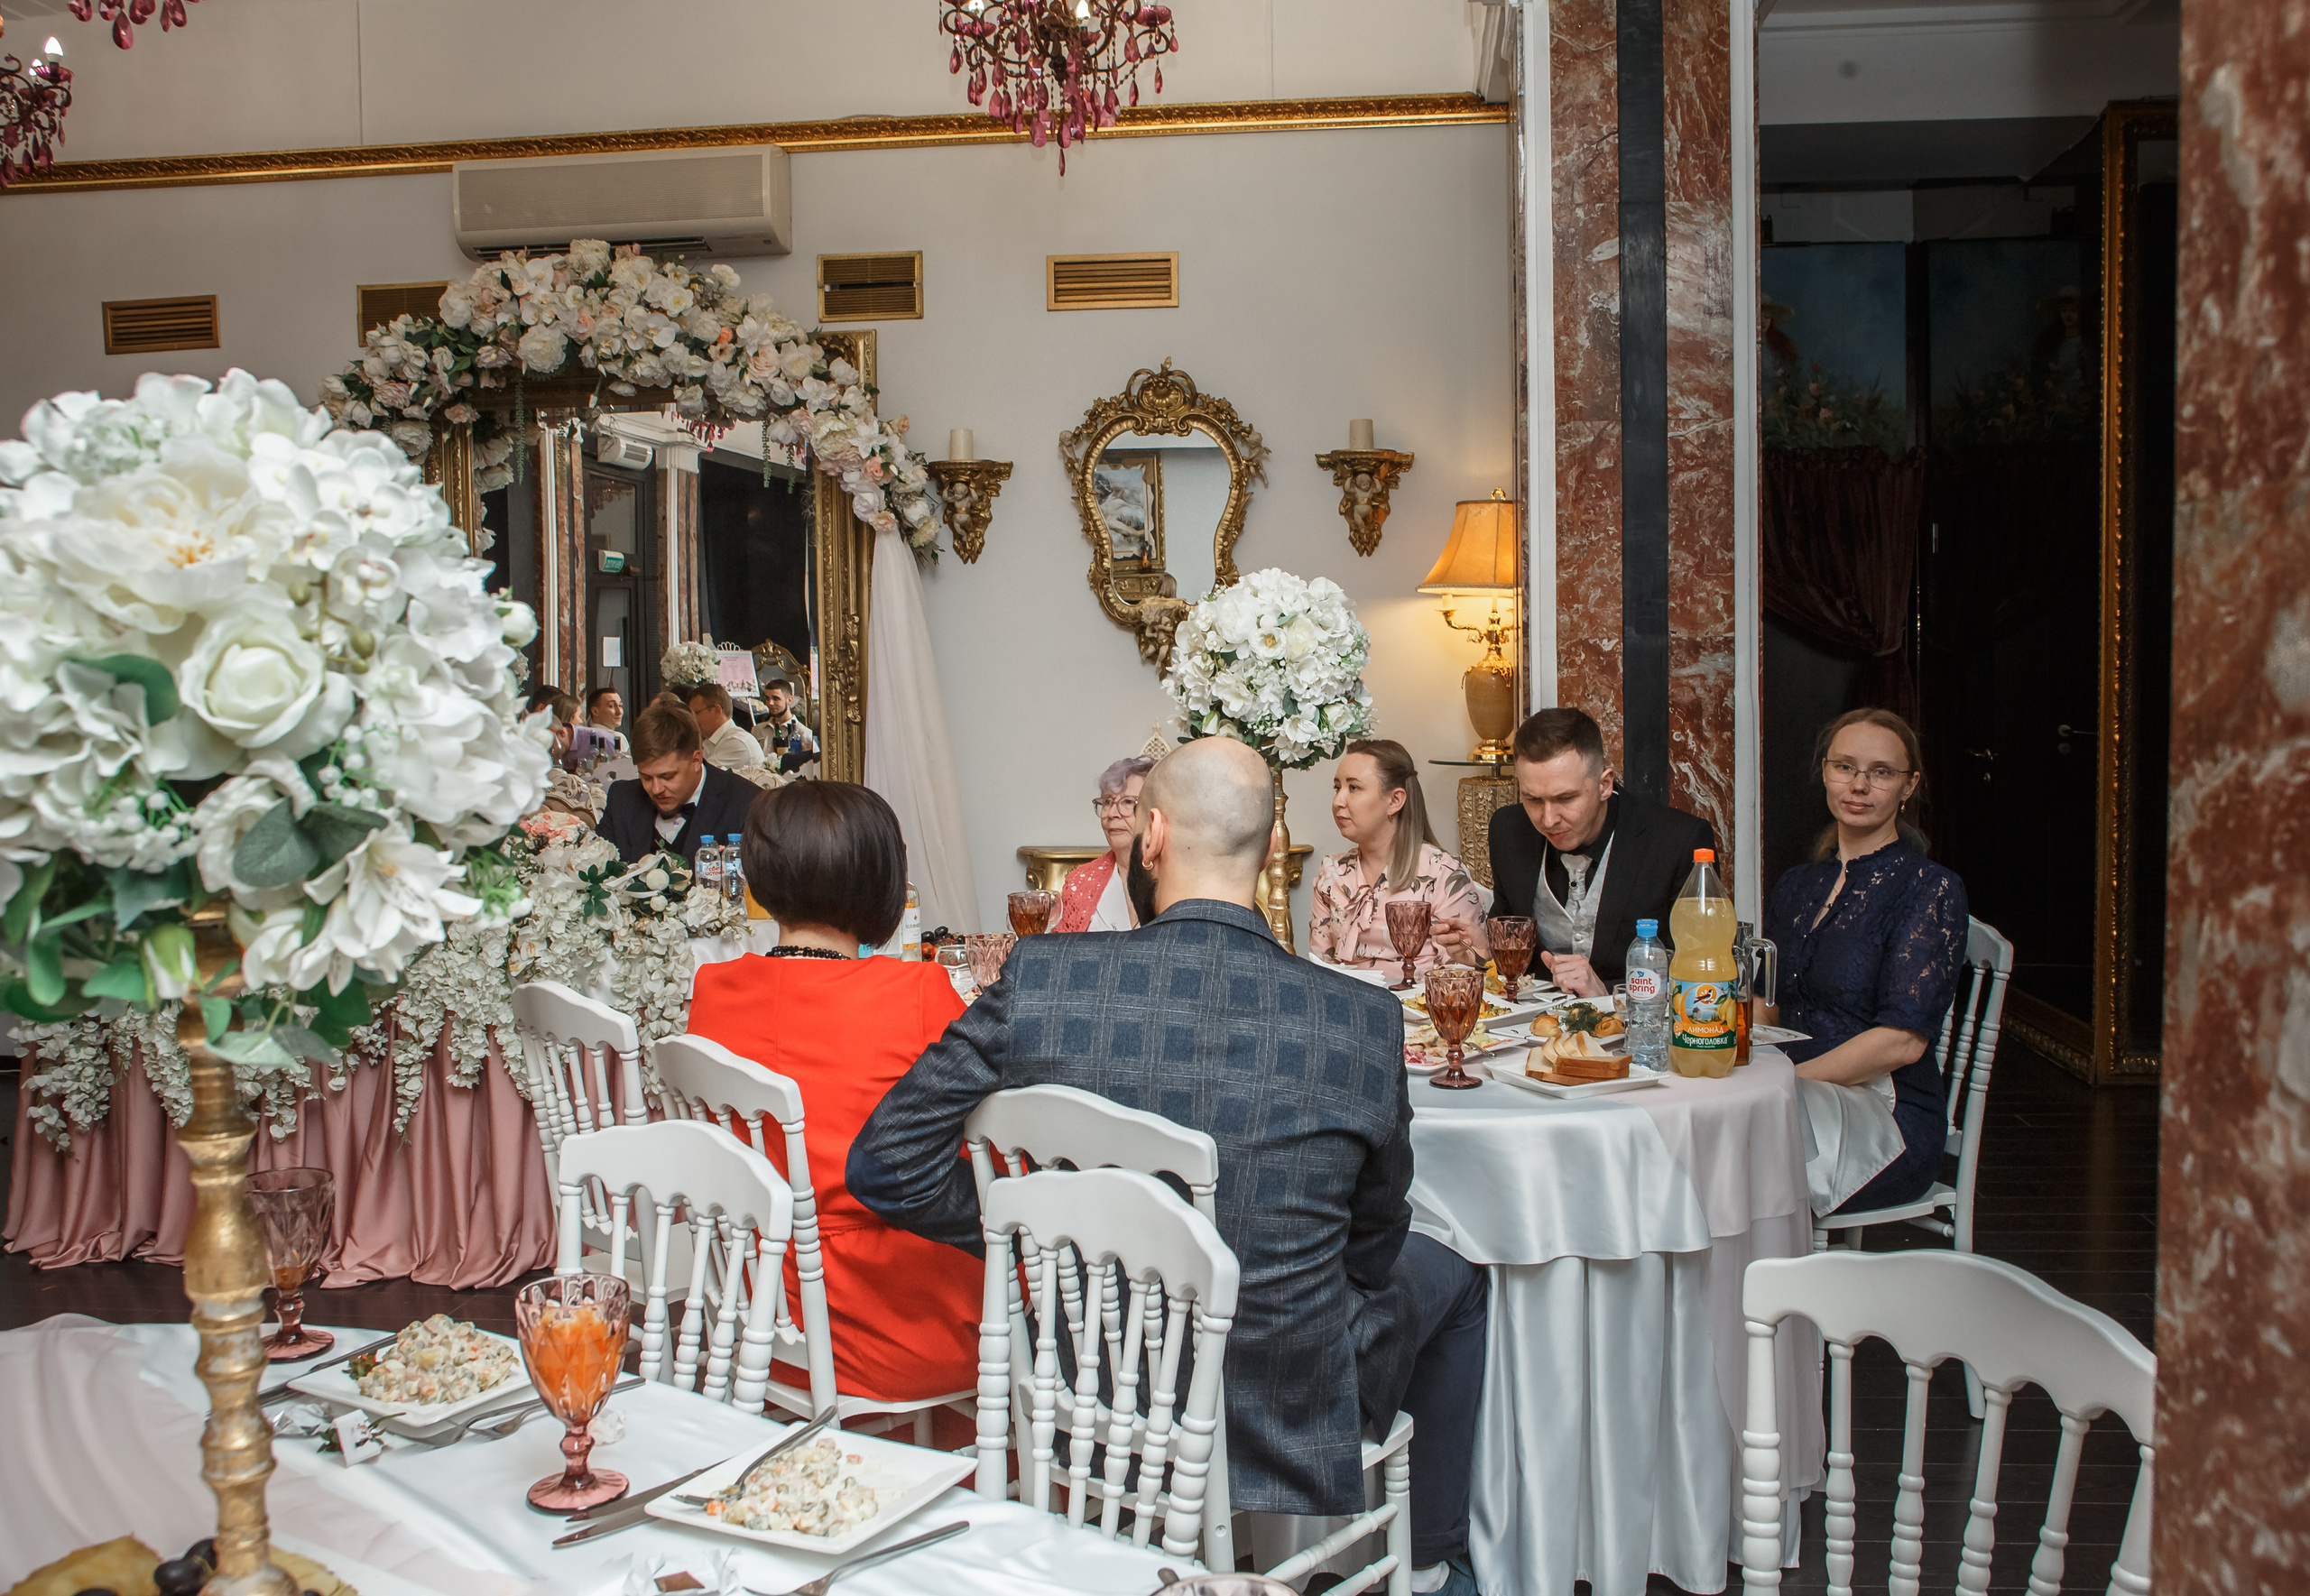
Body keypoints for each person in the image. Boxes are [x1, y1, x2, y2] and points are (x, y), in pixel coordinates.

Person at [849, 737, 1487, 1596]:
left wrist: (1039, 1240)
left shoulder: (1044, 979)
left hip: (1092, 1377)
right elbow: (1372, 1245)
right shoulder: (1362, 1018)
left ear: (1151, 836)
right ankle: (1438, 1563)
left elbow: (887, 1162)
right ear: (1271, 850)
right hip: (1282, 1405)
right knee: (1459, 1273)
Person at [685, 781, 984, 1406]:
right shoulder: (916, 993)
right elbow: (985, 1144)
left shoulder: (713, 989)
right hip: (891, 1324)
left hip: (756, 1306)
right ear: (882, 880)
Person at [1763, 707, 1970, 1216]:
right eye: (1845, 767)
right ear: (1826, 773)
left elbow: (1902, 1041)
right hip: (1794, 1093)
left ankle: (1764, 1268)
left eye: (1881, 772)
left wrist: (1782, 1085)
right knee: (1701, 1129)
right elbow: (1767, 1001)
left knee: (1737, 1157)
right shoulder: (1797, 885)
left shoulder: (1931, 888)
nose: (1858, 785)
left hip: (1885, 1115)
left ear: (1908, 786)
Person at [1434, 707, 1714, 997]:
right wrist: (1485, 954)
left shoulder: (1678, 841)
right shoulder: (1509, 830)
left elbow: (1702, 976)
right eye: (1533, 799)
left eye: (1565, 798)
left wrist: (1607, 994)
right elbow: (1513, 945)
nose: (1548, 819)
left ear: (1604, 784)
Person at [1308, 738, 1483, 981]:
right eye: (1337, 788)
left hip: (1421, 1003)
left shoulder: (1442, 873)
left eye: (1354, 788)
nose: (1338, 801)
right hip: (1345, 1001)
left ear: (1395, 801)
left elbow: (1459, 975)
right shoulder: (1332, 873)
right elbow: (1321, 970)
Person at [599, 698, 761, 864]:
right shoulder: (622, 799)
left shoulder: (747, 803)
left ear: (696, 760)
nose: (656, 789)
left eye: (667, 776)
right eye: (646, 777)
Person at [1049, 755, 1153, 933]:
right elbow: (1062, 947)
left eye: (1128, 802)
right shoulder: (1079, 883)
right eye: (1107, 802)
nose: (1112, 813)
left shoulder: (1176, 877)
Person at [684, 681, 766, 772]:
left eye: (696, 713)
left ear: (717, 710)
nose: (692, 719)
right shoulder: (712, 741)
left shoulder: (736, 742)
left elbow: (696, 774)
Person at [760, 675, 819, 774]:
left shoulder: (805, 734)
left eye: (776, 698)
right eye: (767, 698)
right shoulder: (757, 730)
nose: (770, 703)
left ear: (790, 700)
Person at [585, 687, 629, 756]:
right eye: (611, 706)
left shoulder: (582, 734)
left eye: (620, 705)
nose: (619, 712)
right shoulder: (617, 738)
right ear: (595, 711)